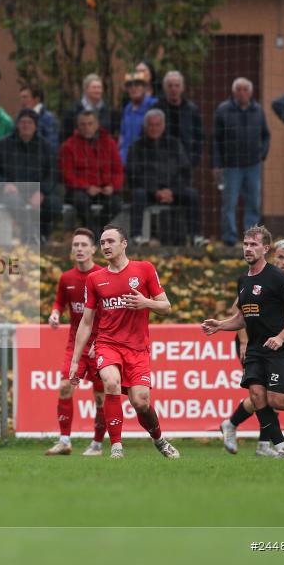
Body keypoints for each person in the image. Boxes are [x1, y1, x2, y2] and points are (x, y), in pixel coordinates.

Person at [202, 225, 284, 459]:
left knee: (277, 400)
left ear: (265, 248)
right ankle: (281, 449)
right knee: (257, 397)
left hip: (277, 349)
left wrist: (281, 337)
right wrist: (220, 325)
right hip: (256, 349)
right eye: (246, 244)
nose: (248, 249)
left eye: (253, 245)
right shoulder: (243, 280)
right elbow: (241, 318)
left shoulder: (278, 277)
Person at [69, 225, 180, 459]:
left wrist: (146, 303)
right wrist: (75, 360)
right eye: (102, 242)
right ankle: (116, 447)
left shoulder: (145, 270)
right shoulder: (95, 279)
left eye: (110, 241)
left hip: (137, 349)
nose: (106, 246)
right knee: (110, 382)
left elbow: (166, 307)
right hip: (108, 343)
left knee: (141, 402)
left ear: (124, 244)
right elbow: (86, 323)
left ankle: (158, 439)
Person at [221, 238, 284, 457]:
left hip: (275, 339)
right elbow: (240, 312)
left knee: (268, 395)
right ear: (271, 254)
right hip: (251, 340)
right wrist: (244, 342)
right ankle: (241, 430)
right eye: (281, 257)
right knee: (260, 394)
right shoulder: (257, 275)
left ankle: (260, 442)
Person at [45, 228, 106, 456]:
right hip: (76, 344)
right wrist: (54, 314)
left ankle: (97, 444)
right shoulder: (66, 278)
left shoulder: (103, 276)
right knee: (65, 387)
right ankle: (64, 441)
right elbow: (60, 302)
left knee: (100, 397)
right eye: (75, 245)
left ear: (93, 249)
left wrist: (99, 341)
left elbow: (110, 313)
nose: (79, 249)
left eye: (83, 245)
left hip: (101, 343)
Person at [126, 109, 203, 246]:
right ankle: (136, 237)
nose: (154, 128)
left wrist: (172, 191)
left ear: (163, 126)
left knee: (192, 194)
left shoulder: (175, 144)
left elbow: (185, 172)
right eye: (150, 125)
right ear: (145, 126)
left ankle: (196, 237)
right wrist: (155, 191)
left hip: (173, 191)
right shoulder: (136, 147)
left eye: (157, 124)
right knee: (137, 194)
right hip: (148, 191)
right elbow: (133, 175)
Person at [0, 109, 60, 244]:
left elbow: (53, 174)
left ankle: (42, 234)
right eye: (22, 122)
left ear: (35, 125)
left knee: (53, 204)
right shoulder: (1, 145)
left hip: (37, 191)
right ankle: (30, 233)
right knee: (14, 201)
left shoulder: (46, 147)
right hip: (11, 191)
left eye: (30, 122)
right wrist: (4, 184)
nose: (26, 126)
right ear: (17, 124)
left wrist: (42, 191)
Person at [213, 78, 270, 246]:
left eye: (246, 89)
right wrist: (217, 163)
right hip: (231, 165)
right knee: (229, 203)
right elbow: (216, 139)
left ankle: (251, 239)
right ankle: (229, 238)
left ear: (251, 92)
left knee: (253, 202)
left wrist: (262, 154)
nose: (242, 92)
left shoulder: (258, 110)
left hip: (253, 164)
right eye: (239, 89)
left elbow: (266, 135)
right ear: (233, 91)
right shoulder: (223, 110)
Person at [59, 110, 124, 236]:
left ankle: (95, 232)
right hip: (80, 189)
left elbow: (118, 170)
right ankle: (94, 234)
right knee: (80, 200)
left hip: (104, 188)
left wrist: (112, 186)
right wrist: (86, 187)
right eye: (83, 124)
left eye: (90, 123)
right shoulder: (68, 146)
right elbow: (68, 175)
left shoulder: (109, 143)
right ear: (78, 126)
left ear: (97, 125)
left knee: (116, 203)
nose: (87, 127)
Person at [155, 71, 204, 169]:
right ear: (165, 88)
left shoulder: (192, 109)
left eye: (177, 85)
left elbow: (200, 136)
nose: (174, 89)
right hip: (163, 163)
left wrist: (194, 159)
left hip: (186, 162)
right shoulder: (157, 109)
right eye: (170, 86)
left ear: (182, 88)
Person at [61, 74, 116, 142]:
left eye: (99, 87)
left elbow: (111, 133)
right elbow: (66, 136)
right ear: (86, 90)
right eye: (94, 88)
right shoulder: (72, 111)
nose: (97, 91)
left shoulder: (108, 111)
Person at [118, 71, 157, 166]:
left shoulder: (154, 105)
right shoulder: (128, 108)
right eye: (130, 86)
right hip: (125, 160)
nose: (133, 88)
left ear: (145, 88)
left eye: (138, 85)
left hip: (146, 161)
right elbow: (122, 135)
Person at [19, 82, 60, 152]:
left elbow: (52, 146)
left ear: (37, 99)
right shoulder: (19, 118)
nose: (22, 101)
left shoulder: (48, 118)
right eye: (21, 97)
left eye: (25, 97)